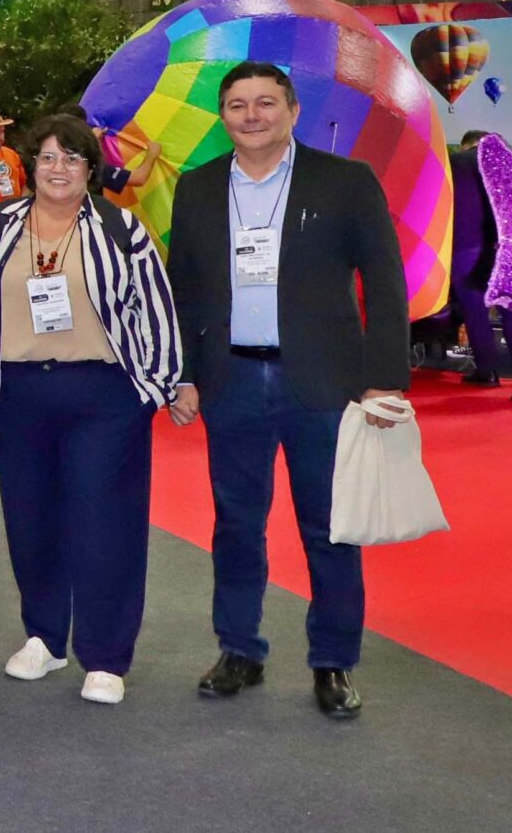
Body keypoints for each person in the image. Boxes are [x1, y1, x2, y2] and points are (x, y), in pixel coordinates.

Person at [167, 60, 409, 721]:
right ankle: (239, 648)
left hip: (324, 385)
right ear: (224, 116)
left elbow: (387, 284)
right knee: (236, 525)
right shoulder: (197, 188)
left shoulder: (347, 182)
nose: (252, 115)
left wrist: (385, 381)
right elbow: (181, 289)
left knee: (331, 528)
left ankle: (333, 661)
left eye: (265, 102)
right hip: (231, 379)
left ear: (293, 110)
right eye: (238, 104)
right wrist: (183, 370)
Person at [0, 116, 186, 707]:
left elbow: (155, 307)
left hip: (104, 398)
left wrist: (152, 388)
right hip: (19, 395)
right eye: (48, 159)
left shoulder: (121, 228)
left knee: (103, 523)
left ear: (91, 169)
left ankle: (106, 656)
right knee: (30, 520)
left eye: (72, 159)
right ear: (30, 165)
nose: (58, 169)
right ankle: (43, 636)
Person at [450, 132, 512, 387]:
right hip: (510, 247)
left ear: (467, 144)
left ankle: (487, 372)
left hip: (467, 246)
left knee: (475, 313)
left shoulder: (454, 163)